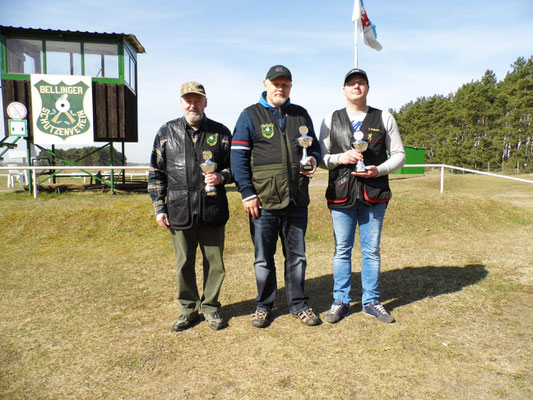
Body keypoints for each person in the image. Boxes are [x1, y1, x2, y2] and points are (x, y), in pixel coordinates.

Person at [231, 65, 321, 328]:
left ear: (290, 87)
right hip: (263, 201)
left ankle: (299, 304)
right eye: (276, 83)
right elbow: (238, 158)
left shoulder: (300, 114)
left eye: (285, 84)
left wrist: (313, 158)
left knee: (297, 256)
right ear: (265, 84)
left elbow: (312, 146)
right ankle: (264, 305)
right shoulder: (249, 115)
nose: (280, 88)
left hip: (296, 199)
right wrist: (247, 193)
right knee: (263, 257)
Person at [319, 68, 405, 324]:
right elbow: (319, 157)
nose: (356, 87)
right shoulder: (330, 119)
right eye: (351, 83)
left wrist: (378, 169)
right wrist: (340, 158)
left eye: (361, 83)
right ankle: (340, 300)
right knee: (342, 251)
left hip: (374, 195)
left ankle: (371, 301)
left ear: (368, 88)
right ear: (343, 89)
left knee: (372, 252)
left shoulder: (384, 117)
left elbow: (399, 155)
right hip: (341, 194)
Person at [148, 81, 232, 331]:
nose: (193, 104)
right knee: (184, 263)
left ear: (205, 102)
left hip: (212, 208)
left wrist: (221, 177)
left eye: (198, 100)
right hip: (178, 210)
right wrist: (159, 208)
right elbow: (155, 173)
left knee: (215, 263)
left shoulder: (221, 132)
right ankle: (188, 308)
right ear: (181, 102)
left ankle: (210, 307)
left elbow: (236, 168)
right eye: (188, 100)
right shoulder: (166, 132)